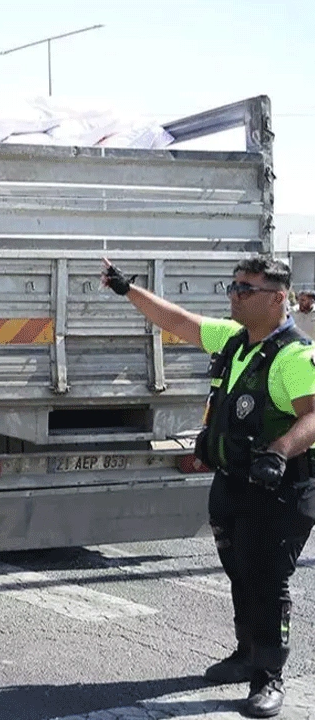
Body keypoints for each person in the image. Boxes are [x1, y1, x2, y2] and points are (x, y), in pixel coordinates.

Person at [104, 256, 315, 717]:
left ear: (278, 298)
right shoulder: (235, 342)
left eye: (246, 289)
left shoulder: (295, 357)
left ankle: (268, 678)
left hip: (278, 490)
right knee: (240, 572)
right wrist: (127, 290)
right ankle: (245, 656)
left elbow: (314, 416)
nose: (233, 295)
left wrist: (279, 451)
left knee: (267, 581)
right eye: (233, 286)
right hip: (232, 482)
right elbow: (176, 320)